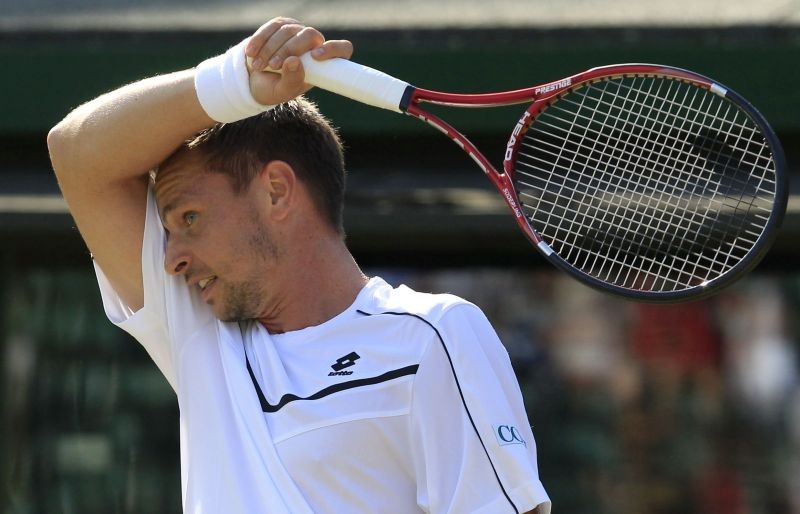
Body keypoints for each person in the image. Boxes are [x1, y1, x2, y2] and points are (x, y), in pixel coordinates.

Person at [47, 16, 551, 514]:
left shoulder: (435, 333)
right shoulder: (199, 337)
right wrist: (235, 82)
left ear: (276, 191)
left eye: (190, 218)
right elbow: (76, 151)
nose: (172, 257)